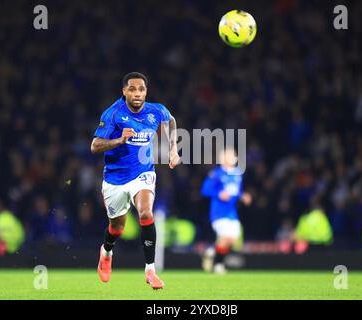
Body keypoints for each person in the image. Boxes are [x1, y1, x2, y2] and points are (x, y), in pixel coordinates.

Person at [91, 72, 180, 289]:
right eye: (132, 89)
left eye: (141, 89)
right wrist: (119, 140)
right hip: (115, 179)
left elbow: (171, 121)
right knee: (117, 227)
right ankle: (107, 251)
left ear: (146, 91)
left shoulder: (156, 110)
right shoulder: (113, 114)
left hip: (143, 173)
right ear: (124, 91)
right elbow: (94, 146)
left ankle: (150, 269)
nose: (137, 93)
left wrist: (173, 149)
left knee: (146, 212)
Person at [201, 148, 251, 274]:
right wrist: (219, 194)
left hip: (232, 212)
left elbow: (236, 191)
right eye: (227, 156)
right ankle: (218, 265)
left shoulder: (238, 174)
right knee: (225, 237)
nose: (230, 158)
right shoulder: (216, 173)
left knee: (233, 240)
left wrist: (242, 196)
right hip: (218, 212)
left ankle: (211, 251)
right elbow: (205, 190)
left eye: (232, 156)